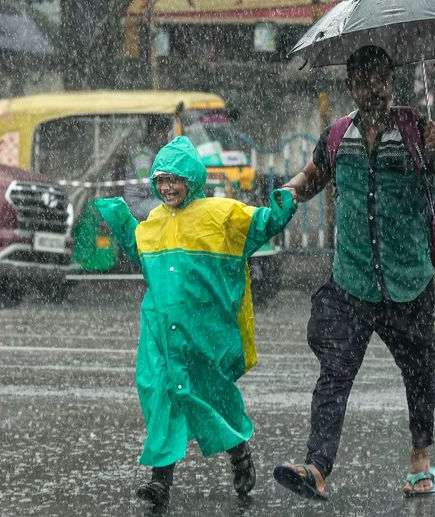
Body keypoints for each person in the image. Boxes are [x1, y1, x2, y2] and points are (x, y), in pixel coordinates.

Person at [272, 45, 435, 500]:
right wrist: (287, 193)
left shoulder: (419, 132)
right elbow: (311, 178)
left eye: (383, 78)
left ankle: (420, 458)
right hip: (352, 281)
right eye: (365, 79)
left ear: (392, 81)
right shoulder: (337, 136)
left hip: (409, 283)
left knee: (421, 374)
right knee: (334, 373)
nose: (376, 87)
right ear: (351, 84)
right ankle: (317, 467)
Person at [94, 136, 297, 508]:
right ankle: (160, 481)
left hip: (204, 333)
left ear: (192, 179)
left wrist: (280, 210)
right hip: (159, 334)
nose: (167, 187)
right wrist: (121, 221)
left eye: (175, 179)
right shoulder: (153, 222)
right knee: (161, 395)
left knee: (213, 396)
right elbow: (140, 249)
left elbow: (258, 225)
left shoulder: (220, 213)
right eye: (161, 180)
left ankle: (238, 451)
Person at [121, 115, 171, 219]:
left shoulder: (155, 150)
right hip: (136, 203)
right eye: (161, 132)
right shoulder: (142, 153)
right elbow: (146, 183)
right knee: (170, 207)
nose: (164, 136)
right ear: (152, 132)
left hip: (149, 199)